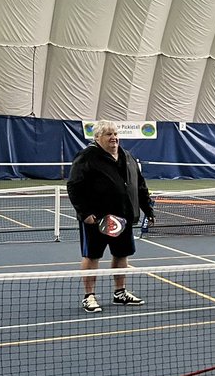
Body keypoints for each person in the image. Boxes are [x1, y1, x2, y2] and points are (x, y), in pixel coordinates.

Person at [66, 122, 155, 313]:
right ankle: (89, 296)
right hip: (96, 219)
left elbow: (139, 185)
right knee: (92, 256)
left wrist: (147, 209)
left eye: (115, 133)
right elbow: (74, 186)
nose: (113, 137)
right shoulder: (86, 157)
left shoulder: (127, 156)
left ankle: (119, 292)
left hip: (123, 217)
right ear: (97, 137)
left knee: (121, 254)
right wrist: (85, 213)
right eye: (108, 134)